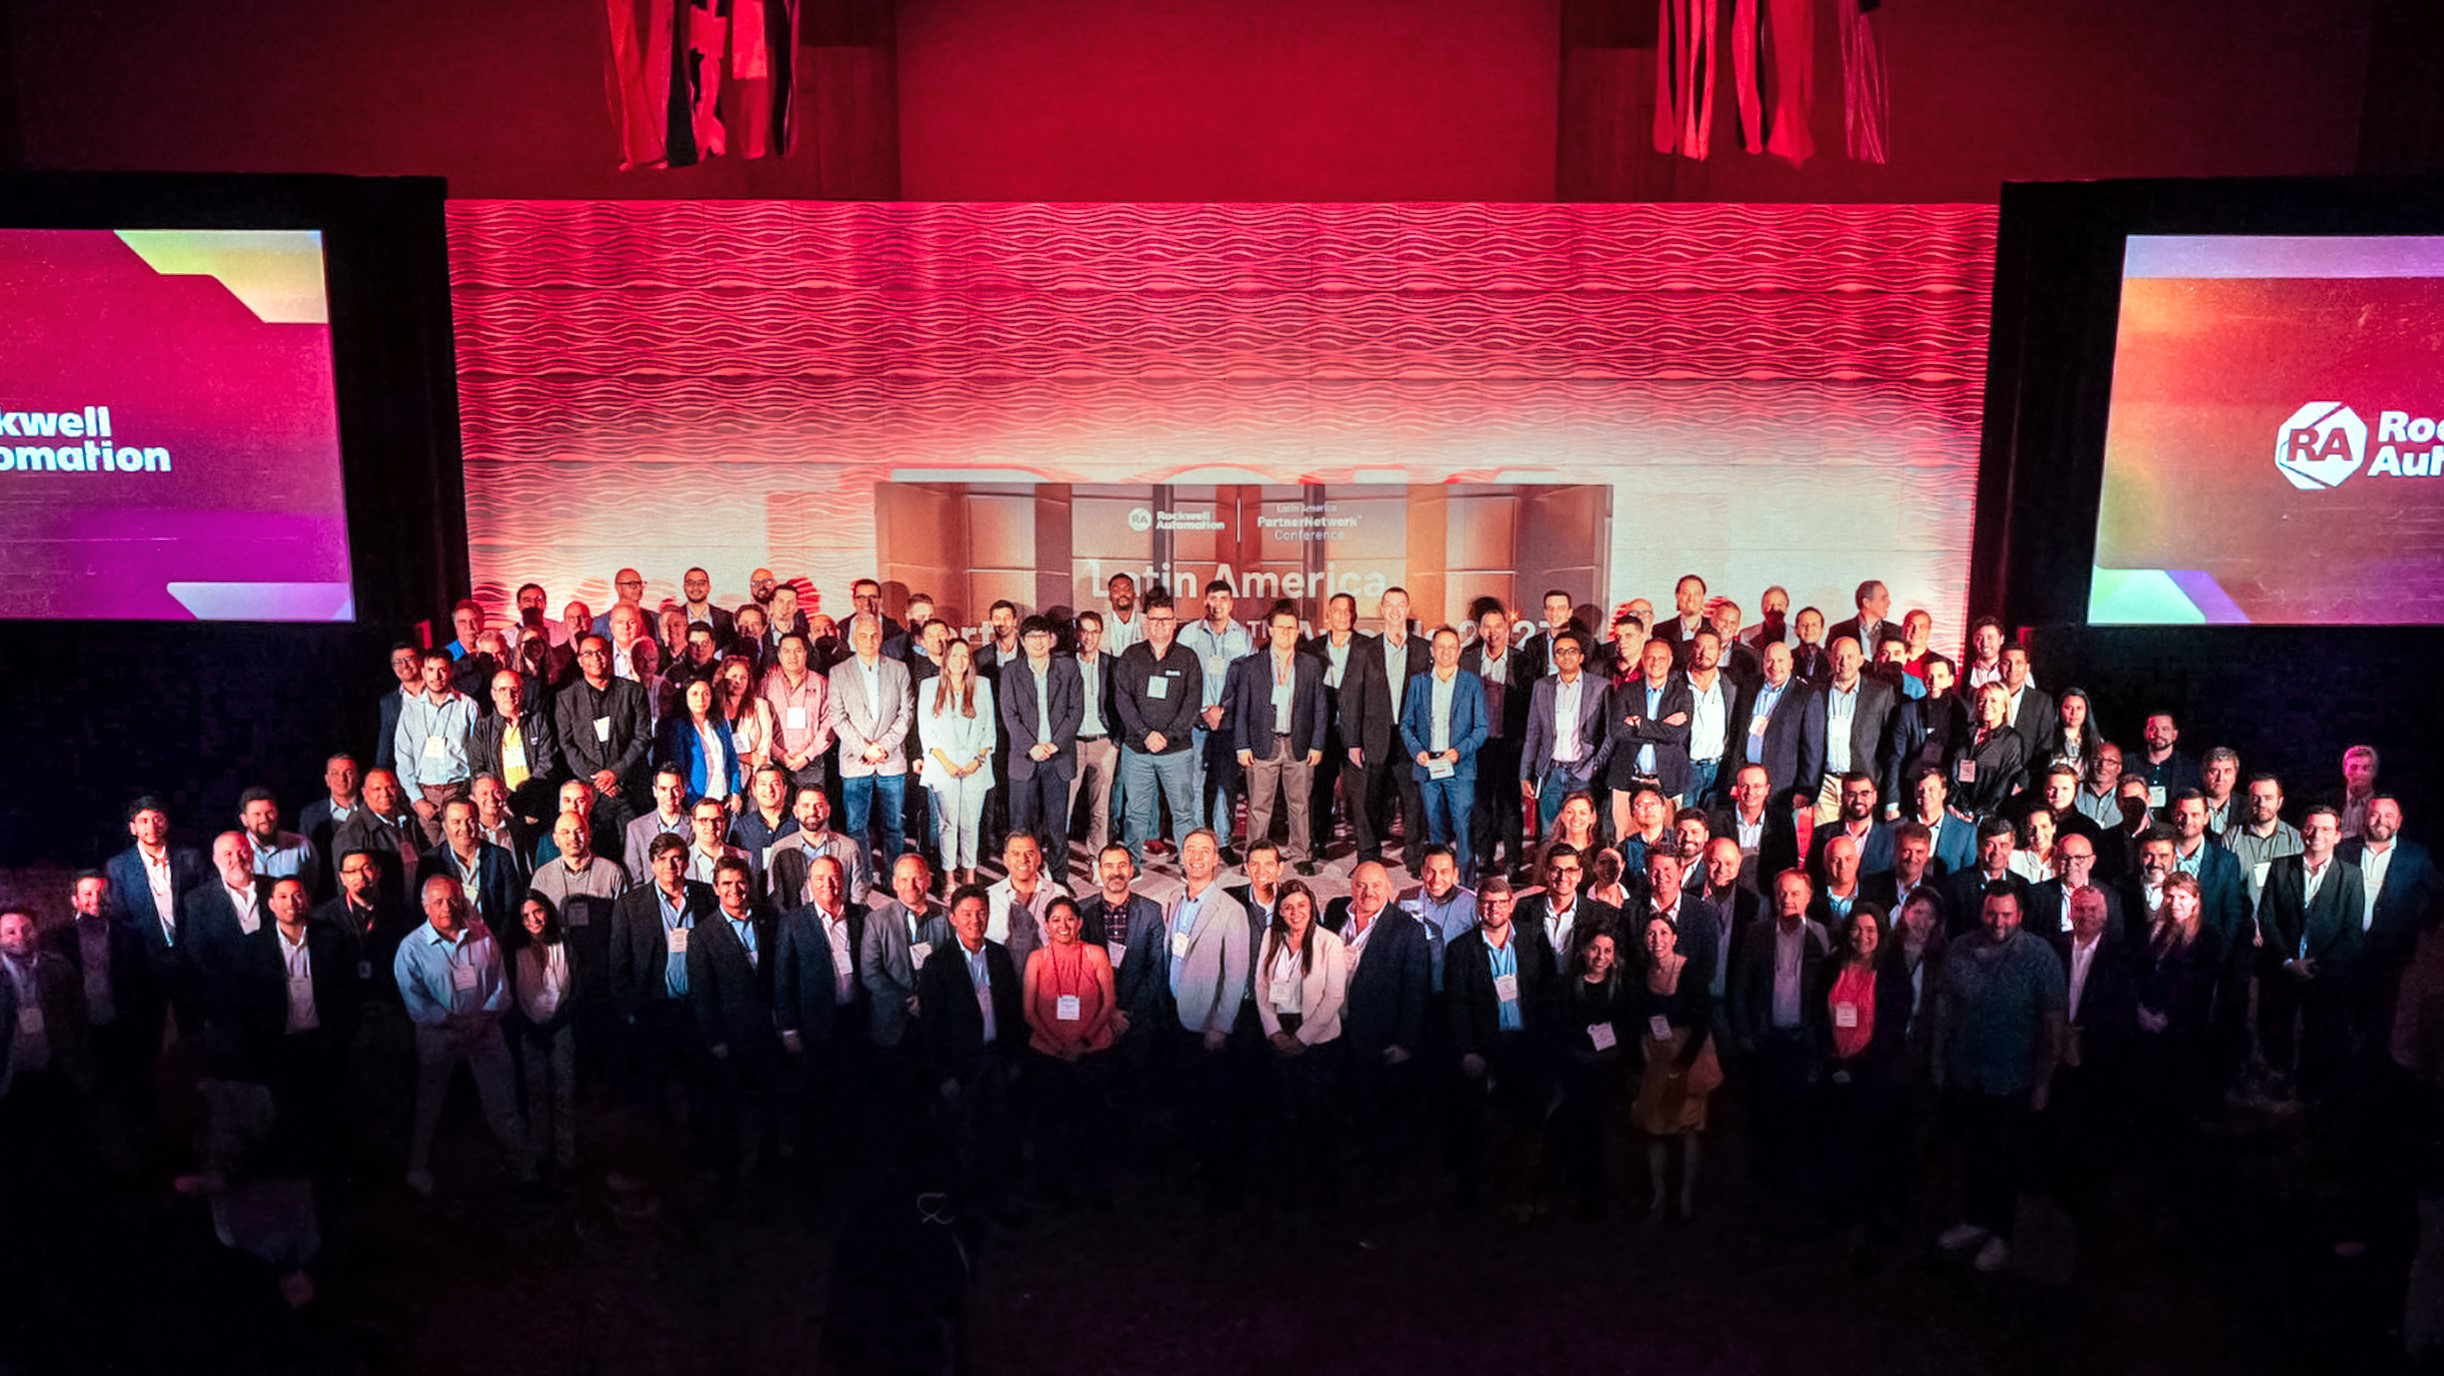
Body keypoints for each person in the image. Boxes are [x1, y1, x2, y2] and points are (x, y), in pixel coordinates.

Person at [1930, 883, 2066, 1274]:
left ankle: (2003, 1235)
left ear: (2020, 915)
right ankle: (1975, 1219)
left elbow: (2053, 1024)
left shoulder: (2040, 957)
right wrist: (1940, 1062)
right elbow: (1943, 1009)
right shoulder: (1959, 949)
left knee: (2007, 1160)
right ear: (1981, 912)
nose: (1999, 922)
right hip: (1967, 1073)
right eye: (1992, 914)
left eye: (2007, 914)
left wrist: (2043, 1081)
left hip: (2015, 1079)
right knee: (1972, 1152)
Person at [394, 873, 533, 1196]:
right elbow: (416, 1002)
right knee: (429, 1107)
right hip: (439, 1038)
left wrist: (482, 1019)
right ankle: (418, 1169)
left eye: (453, 899)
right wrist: (455, 1024)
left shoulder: (483, 935)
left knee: (504, 1103)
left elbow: (501, 986)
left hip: (486, 1033)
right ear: (425, 905)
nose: (447, 907)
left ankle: (524, 1169)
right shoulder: (411, 948)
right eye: (439, 901)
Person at [916, 886, 1023, 1213]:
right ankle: (963, 1210)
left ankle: (997, 1202)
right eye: (966, 914)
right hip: (961, 1066)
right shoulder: (938, 963)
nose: (975, 921)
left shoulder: (1000, 955)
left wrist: (1013, 1059)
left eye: (980, 913)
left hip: (995, 1059)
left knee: (997, 1132)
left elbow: (1012, 1010)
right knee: (962, 1137)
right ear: (952, 918)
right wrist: (944, 1074)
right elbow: (932, 1026)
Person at [1445, 875, 1550, 1210]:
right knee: (1483, 1127)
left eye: (1500, 902)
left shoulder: (1532, 941)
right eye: (1487, 903)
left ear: (1511, 904)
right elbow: (1456, 1004)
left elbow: (1545, 993)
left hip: (1526, 1045)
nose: (1493, 909)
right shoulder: (1461, 949)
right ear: (1478, 905)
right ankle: (1478, 1196)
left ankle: (1524, 1194)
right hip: (1486, 1047)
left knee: (1528, 1124)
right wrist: (1468, 1050)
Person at [1159, 829, 1252, 1197]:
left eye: (1205, 851)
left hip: (1208, 1026)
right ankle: (1190, 1170)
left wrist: (1221, 1026)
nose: (1196, 856)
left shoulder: (1231, 910)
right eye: (1190, 850)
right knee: (1186, 1102)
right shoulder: (1175, 900)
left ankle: (1218, 1182)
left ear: (1217, 860)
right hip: (1177, 1018)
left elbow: (1235, 974)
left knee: (1214, 1107)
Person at [1728, 869, 1829, 1199]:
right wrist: (1744, 1033)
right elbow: (1740, 988)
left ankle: (1795, 1187)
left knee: (1800, 1118)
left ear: (1809, 897)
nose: (1788, 899)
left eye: (1795, 893)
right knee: (1763, 1116)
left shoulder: (1822, 937)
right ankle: (1763, 1186)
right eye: (1782, 893)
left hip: (1803, 1042)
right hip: (1766, 1040)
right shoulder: (1755, 934)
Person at [1813, 903, 1914, 1234]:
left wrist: (1858, 1066)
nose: (1863, 936)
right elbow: (1816, 1014)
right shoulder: (1831, 966)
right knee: (1835, 1145)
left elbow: (1893, 1026)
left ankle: (1872, 1215)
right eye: (1857, 928)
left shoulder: (1893, 973)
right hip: (1834, 1071)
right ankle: (1837, 1210)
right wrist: (1831, 1060)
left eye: (1871, 930)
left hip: (1875, 1076)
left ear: (1882, 934)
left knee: (1872, 1149)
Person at [2258, 805, 2368, 1103]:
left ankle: (2314, 1092)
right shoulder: (2281, 867)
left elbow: (2351, 929)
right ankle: (2284, 1084)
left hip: (2326, 973)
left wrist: (2317, 966)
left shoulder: (2351, 876)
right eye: (2310, 827)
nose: (2316, 834)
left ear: (2337, 836)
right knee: (2280, 1030)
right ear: (2301, 830)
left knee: (2321, 1034)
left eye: (2324, 829)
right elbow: (2267, 918)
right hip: (2285, 970)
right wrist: (2288, 961)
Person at [1324, 859, 1430, 1169]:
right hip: (1330, 1030)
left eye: (1376, 886)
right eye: (1361, 885)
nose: (1368, 892)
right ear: (1351, 886)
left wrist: (1406, 1042)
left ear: (1390, 889)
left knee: (1371, 1112)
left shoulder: (1408, 930)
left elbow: (1415, 989)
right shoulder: (1334, 913)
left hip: (1375, 1036)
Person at [1253, 879, 1348, 1205]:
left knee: (1318, 1119)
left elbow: (1334, 996)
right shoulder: (1270, 936)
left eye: (1301, 906)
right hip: (1279, 1034)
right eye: (1288, 907)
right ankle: (1285, 1188)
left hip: (1318, 1043)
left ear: (1312, 908)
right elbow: (1261, 989)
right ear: (1280, 911)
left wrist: (1303, 1040)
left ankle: (1324, 1191)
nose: (1295, 913)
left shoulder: (1328, 942)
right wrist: (1275, 1033)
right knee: (1282, 1115)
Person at [690, 857, 780, 1183]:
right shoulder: (702, 936)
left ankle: (768, 1175)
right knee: (733, 1113)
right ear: (715, 888)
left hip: (768, 1036)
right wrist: (715, 1040)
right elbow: (702, 995)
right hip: (730, 1041)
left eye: (740, 882)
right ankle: (735, 1180)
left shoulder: (769, 921)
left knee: (769, 1108)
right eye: (726, 883)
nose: (735, 890)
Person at [772, 854, 865, 1169]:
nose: (829, 884)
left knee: (852, 1092)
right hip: (814, 1026)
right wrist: (788, 1028)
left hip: (853, 1021)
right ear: (809, 885)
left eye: (835, 877)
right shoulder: (794, 922)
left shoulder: (861, 916)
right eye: (821, 878)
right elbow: (782, 979)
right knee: (815, 1096)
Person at [1019, 894, 1114, 1204]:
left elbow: (1108, 1003)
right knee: (1051, 1125)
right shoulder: (1037, 959)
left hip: (1092, 1052)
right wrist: (1059, 1046)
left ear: (1080, 923)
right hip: (1049, 1056)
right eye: (1056, 920)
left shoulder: (1096, 954)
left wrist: (1083, 1042)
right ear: (1046, 926)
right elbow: (1029, 1012)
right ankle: (1054, 1190)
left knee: (1091, 1124)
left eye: (1069, 919)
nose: (1063, 926)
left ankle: (1094, 1187)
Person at [1632, 912, 1719, 1221]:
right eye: (1651, 933)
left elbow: (1702, 1020)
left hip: (1689, 1055)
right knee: (1654, 1127)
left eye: (1663, 933)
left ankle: (1685, 1195)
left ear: (1674, 937)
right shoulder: (1642, 974)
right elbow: (1640, 1017)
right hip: (1655, 1057)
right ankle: (1658, 1194)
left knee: (1687, 1127)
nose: (1657, 939)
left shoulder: (1690, 972)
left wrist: (1683, 1063)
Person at [1339, 588, 1430, 874]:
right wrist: (1352, 741)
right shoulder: (1364, 649)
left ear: (1408, 608)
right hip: (1373, 737)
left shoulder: (1423, 648)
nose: (1394, 610)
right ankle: (1368, 856)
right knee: (1369, 800)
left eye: (1400, 604)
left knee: (1413, 800)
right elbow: (1351, 696)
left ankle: (1415, 858)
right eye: (1389, 605)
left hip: (1411, 739)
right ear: (1381, 609)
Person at [1234, 604, 1328, 876]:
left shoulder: (1310, 665)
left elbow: (1320, 708)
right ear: (1271, 630)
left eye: (1291, 628)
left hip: (1299, 745)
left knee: (1299, 805)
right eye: (1281, 627)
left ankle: (1300, 854)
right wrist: (1242, 745)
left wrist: (1317, 744)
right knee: (1259, 807)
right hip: (1263, 744)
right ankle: (1253, 858)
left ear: (1298, 632)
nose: (1286, 633)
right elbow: (1242, 708)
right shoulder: (1252, 665)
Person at [1114, 588, 1204, 868]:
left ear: (1174, 622)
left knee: (1183, 812)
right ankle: (1133, 865)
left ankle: (1191, 867)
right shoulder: (1131, 656)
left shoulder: (1187, 658)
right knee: (1135, 813)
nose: (1159, 625)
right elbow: (1122, 700)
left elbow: (1192, 704)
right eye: (1154, 620)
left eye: (1165, 620)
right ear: (1146, 622)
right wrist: (1145, 734)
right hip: (1137, 750)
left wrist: (1167, 735)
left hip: (1176, 751)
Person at [1548, 928, 1633, 1219]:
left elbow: (1627, 1027)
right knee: (1573, 1130)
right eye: (1595, 949)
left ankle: (1598, 1196)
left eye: (1607, 951)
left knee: (1601, 1134)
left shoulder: (1621, 988)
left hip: (1607, 1073)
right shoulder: (1567, 987)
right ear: (1584, 950)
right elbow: (1560, 1027)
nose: (1601, 956)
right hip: (1575, 1071)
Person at [828, 612, 916, 885]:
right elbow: (837, 717)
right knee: (857, 827)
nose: (869, 640)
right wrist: (864, 749)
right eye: (863, 635)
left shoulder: (899, 668)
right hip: (856, 761)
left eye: (874, 634)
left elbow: (907, 712)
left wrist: (884, 746)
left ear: (881, 637)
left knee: (893, 826)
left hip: (891, 760)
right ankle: (863, 877)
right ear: (853, 639)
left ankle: (894, 877)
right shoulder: (838, 672)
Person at [1400, 626, 1490, 870]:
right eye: (1441, 647)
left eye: (1452, 647)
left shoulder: (1471, 683)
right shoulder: (1418, 683)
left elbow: (1481, 727)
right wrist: (1416, 750)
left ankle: (1468, 885)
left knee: (1463, 827)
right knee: (1434, 828)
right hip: (1429, 767)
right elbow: (1406, 724)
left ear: (1459, 651)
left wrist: (1460, 750)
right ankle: (1438, 881)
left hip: (1459, 767)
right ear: (1432, 650)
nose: (1446, 652)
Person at [999, 615, 1083, 869]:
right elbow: (1009, 713)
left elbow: (1076, 710)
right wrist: (1031, 747)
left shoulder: (1068, 668)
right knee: (1021, 827)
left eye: (1042, 636)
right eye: (1032, 637)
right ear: (1022, 641)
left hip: (1059, 757)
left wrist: (1055, 744)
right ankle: (1022, 879)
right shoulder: (1011, 671)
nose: (1038, 642)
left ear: (1051, 639)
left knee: (1057, 825)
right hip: (1025, 759)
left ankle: (1059, 877)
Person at [1461, 603, 1536, 879]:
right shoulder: (1467, 660)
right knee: (1480, 804)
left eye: (1498, 626)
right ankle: (1484, 856)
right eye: (1487, 627)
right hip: (1477, 744)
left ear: (1508, 629)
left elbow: (1531, 705)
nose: (1493, 633)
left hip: (1510, 742)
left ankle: (1513, 860)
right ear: (1480, 630)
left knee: (1509, 805)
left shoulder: (1522, 661)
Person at [917, 639, 997, 886]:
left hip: (976, 767)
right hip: (943, 767)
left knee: (971, 823)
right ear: (945, 659)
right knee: (948, 824)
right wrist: (947, 763)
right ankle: (950, 878)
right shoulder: (930, 687)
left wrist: (978, 759)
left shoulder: (982, 685)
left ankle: (971, 875)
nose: (959, 661)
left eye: (964, 656)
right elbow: (926, 730)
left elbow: (989, 729)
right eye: (954, 656)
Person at [510, 893, 580, 1173]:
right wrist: (529, 1028)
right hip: (529, 1031)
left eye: (537, 912)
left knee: (565, 1093)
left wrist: (559, 1022)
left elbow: (576, 990)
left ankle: (567, 1157)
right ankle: (540, 1156)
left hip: (562, 1028)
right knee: (535, 1095)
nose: (533, 920)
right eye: (525, 916)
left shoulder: (565, 945)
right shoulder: (513, 951)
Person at [556, 634, 654, 829]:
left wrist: (616, 773)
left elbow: (642, 737)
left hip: (631, 788)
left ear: (610, 656)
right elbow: (567, 745)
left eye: (601, 652)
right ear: (580, 660)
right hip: (593, 796)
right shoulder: (567, 698)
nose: (596, 658)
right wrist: (600, 780)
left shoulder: (633, 692)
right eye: (589, 653)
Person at [1521, 630, 1612, 840]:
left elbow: (1609, 734)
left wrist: (1594, 766)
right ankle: (1548, 872)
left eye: (1572, 651)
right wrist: (1525, 774)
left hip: (1583, 773)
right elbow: (1533, 733)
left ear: (1581, 657)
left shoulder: (1600, 686)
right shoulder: (1542, 686)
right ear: (1554, 659)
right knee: (1548, 832)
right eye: (1560, 652)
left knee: (1583, 832)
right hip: (1551, 771)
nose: (1566, 656)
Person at [1804, 637, 1894, 823]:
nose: (1844, 663)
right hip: (1826, 783)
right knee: (1827, 843)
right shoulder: (1816, 691)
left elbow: (1889, 744)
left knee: (1859, 842)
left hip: (1863, 785)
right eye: (1839, 657)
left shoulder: (1880, 693)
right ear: (1830, 659)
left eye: (1850, 657)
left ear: (1861, 660)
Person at [1606, 638, 1693, 831]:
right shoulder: (1627, 691)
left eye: (1661, 658)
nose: (1655, 662)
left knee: (1668, 841)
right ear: (1643, 661)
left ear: (1670, 661)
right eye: (1650, 657)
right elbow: (1618, 730)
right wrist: (1661, 728)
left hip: (1667, 781)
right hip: (1628, 779)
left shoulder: (1682, 694)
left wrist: (1639, 724)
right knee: (1626, 839)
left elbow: (1677, 735)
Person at [1067, 611, 1122, 886]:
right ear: (1078, 633)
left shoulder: (1113, 665)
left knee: (1100, 809)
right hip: (1072, 744)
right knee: (1062, 806)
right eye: (1084, 631)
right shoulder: (1064, 664)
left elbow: (1122, 705)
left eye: (1094, 631)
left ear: (1101, 634)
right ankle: (1057, 864)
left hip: (1104, 742)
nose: (1088, 636)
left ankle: (1096, 861)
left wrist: (1117, 742)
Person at [765, 784, 869, 909]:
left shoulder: (848, 847)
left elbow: (858, 893)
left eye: (819, 806)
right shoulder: (779, 848)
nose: (812, 812)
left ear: (828, 810)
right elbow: (774, 896)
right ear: (796, 812)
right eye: (806, 806)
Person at [1946, 682, 2026, 817]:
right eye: (1982, 700)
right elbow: (1952, 770)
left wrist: (1978, 815)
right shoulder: (1966, 733)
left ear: (2004, 707)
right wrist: (1952, 804)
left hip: (1987, 816)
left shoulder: (2011, 740)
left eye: (1994, 701)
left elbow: (2004, 783)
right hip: (1956, 811)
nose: (1987, 705)